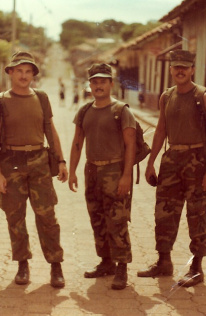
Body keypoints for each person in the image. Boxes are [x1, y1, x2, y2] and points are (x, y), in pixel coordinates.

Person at [137, 50, 206, 287]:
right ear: (171, 69)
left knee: (197, 216)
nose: (180, 70)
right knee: (164, 213)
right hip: (172, 159)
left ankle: (196, 268)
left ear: (193, 69)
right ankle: (164, 262)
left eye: (185, 67)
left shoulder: (204, 96)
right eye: (176, 67)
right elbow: (161, 130)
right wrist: (151, 161)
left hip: (198, 161)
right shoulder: (166, 96)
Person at [0, 51, 68, 288]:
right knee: (15, 217)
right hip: (11, 163)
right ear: (10, 72)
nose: (23, 76)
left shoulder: (41, 98)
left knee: (47, 216)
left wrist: (61, 161)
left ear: (33, 74)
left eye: (28, 71)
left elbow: (51, 132)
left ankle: (56, 265)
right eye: (19, 71)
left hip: (39, 161)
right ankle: (22, 264)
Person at [68, 63, 136, 290]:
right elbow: (77, 143)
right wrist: (73, 171)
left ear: (111, 84)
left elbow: (130, 146)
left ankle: (122, 268)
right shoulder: (85, 111)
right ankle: (106, 262)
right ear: (90, 85)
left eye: (103, 81)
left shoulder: (121, 110)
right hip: (93, 171)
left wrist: (126, 176)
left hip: (114, 170)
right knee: (97, 218)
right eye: (94, 82)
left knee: (117, 220)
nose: (98, 86)